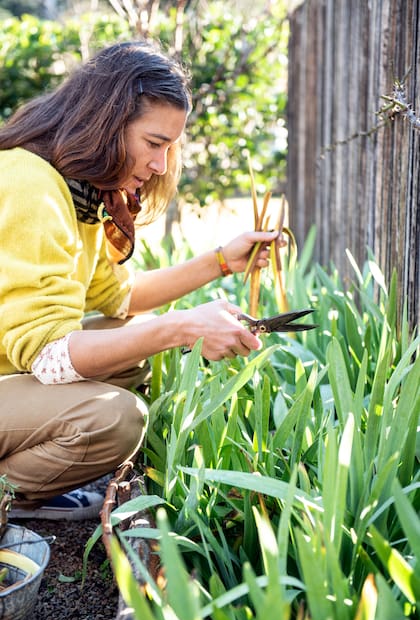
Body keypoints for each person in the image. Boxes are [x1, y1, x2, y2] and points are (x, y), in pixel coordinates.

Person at [0, 40, 279, 521]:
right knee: (115, 418)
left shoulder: (76, 190)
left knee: (129, 352)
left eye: (170, 148)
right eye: (154, 144)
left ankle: (36, 481)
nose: (161, 166)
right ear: (104, 123)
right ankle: (12, 495)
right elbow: (47, 356)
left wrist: (221, 262)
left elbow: (119, 298)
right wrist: (180, 328)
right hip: (18, 364)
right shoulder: (30, 185)